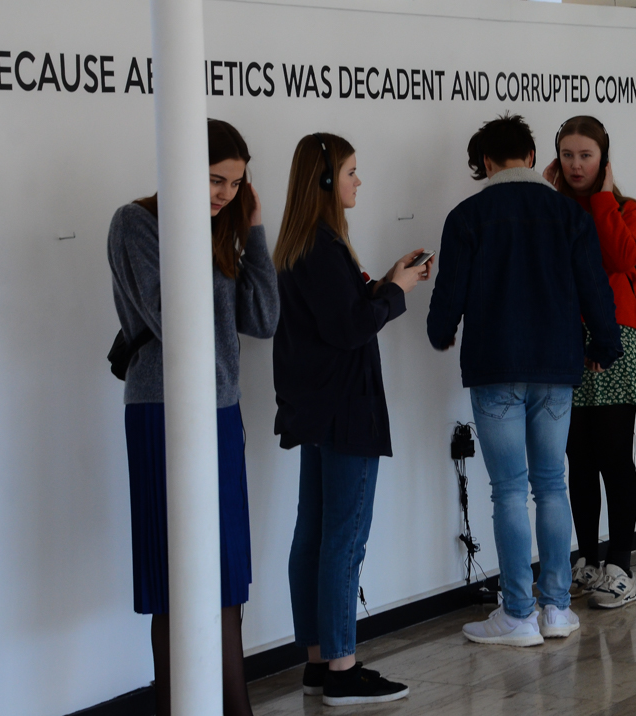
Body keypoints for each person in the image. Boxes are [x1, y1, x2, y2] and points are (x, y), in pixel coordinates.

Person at [427, 114, 622, 647]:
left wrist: (440, 332)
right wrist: (604, 347)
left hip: (495, 367)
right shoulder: (567, 214)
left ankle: (517, 615)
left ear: (486, 163)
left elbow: (450, 292)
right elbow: (595, 288)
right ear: (534, 157)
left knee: (509, 490)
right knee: (552, 484)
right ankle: (556, 609)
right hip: (557, 368)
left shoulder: (467, 216)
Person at [107, 119, 279, 716]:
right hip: (163, 412)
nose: (225, 194)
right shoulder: (136, 223)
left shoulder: (222, 228)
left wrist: (251, 231)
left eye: (236, 183)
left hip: (221, 412)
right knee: (174, 579)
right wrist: (203, 235)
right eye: (214, 180)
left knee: (225, 577)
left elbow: (263, 317)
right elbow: (174, 318)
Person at [272, 132, 431, 706]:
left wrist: (385, 280)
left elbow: (338, 313)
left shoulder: (302, 245)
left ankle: (320, 662)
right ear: (324, 181)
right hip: (345, 411)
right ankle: (341, 668)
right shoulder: (322, 246)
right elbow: (350, 329)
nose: (358, 181)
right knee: (343, 540)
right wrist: (397, 291)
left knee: (314, 535)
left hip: (317, 411)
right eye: (350, 172)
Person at [543, 116, 636, 608]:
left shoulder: (624, 208)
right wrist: (550, 199)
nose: (576, 165)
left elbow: (624, 258)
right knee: (577, 458)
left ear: (604, 159)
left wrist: (603, 199)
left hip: (616, 339)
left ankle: (620, 565)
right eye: (567, 155)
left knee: (613, 456)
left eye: (586, 155)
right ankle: (586, 560)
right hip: (566, 339)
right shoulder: (553, 208)